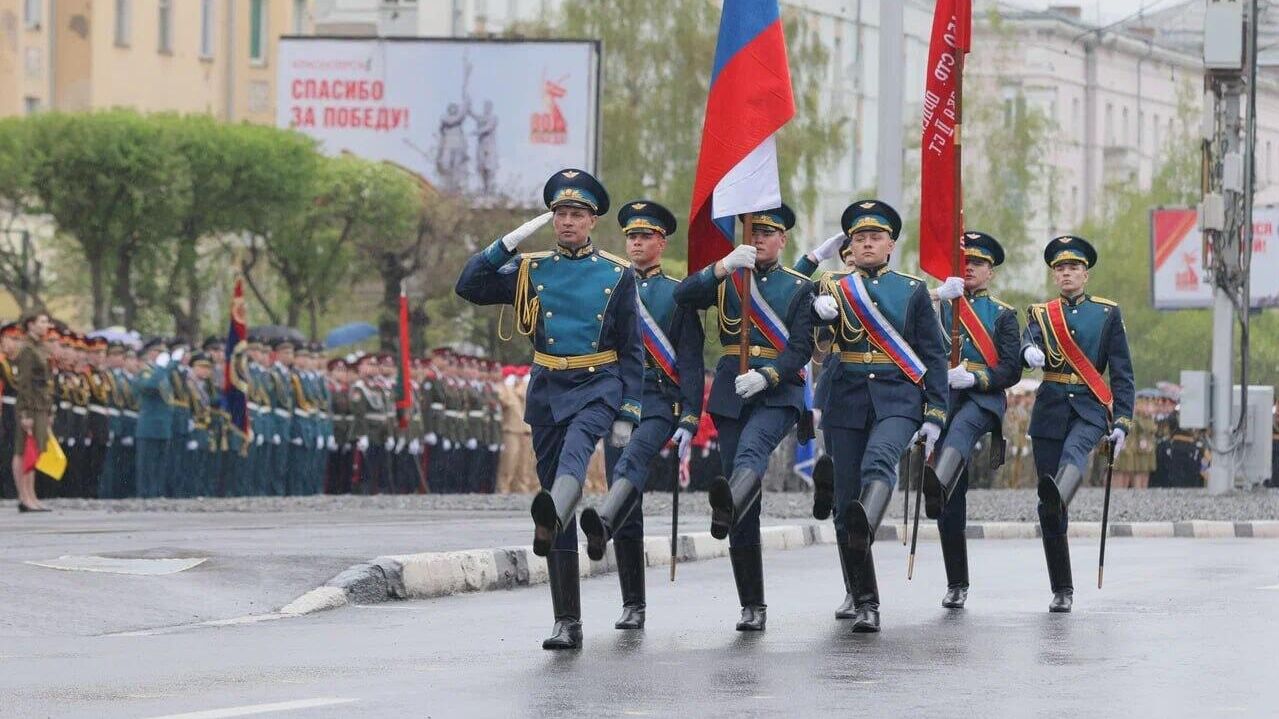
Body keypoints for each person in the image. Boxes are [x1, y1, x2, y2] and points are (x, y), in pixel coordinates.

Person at [455, 168, 643, 650]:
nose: (566, 221)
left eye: (576, 214)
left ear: (592, 221)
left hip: (598, 382)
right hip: (547, 386)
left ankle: (555, 509)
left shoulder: (617, 273)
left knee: (575, 460)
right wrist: (506, 243)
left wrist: (629, 410)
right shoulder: (531, 267)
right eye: (559, 213)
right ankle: (567, 620)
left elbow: (632, 347)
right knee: (553, 500)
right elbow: (470, 286)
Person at [673, 203, 816, 632]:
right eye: (753, 232)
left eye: (768, 233)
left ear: (782, 240)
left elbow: (801, 349)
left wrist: (769, 374)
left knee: (749, 459)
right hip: (732, 391)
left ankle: (729, 500)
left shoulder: (798, 287)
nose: (758, 240)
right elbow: (683, 297)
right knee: (743, 502)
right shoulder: (729, 277)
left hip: (776, 392)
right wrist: (720, 267)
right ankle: (751, 604)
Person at [807, 200, 949, 631]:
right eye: (859, 238)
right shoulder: (830, 286)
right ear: (850, 245)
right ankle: (860, 592)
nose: (867, 243)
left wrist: (936, 411)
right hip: (845, 397)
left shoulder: (912, 290)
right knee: (845, 499)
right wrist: (818, 312)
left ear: (890, 245)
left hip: (897, 398)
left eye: (875, 237)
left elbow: (933, 354)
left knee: (878, 462)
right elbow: (807, 334)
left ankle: (866, 575)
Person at [580, 200, 705, 630]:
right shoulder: (611, 288)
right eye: (632, 236)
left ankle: (603, 520)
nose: (637, 243)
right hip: (619, 400)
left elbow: (689, 360)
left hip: (658, 402)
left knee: (630, 468)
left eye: (645, 236)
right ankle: (633, 604)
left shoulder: (677, 294)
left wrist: (691, 415)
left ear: (660, 242)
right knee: (627, 498)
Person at [1021, 236, 1134, 613]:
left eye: (1074, 268)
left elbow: (1122, 372)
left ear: (1085, 275)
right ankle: (1062, 588)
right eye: (1060, 269)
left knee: (1074, 456)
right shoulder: (1040, 313)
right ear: (1055, 276)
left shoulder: (1106, 313)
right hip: (1050, 409)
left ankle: (1061, 493)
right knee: (1048, 505)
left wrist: (1122, 421)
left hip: (1088, 408)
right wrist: (1027, 351)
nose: (1067, 274)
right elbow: (1028, 342)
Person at [922, 231, 1023, 610]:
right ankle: (956, 582)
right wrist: (935, 298)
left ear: (990, 272)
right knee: (952, 503)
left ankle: (939, 478)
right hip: (946, 396)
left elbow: (1010, 369)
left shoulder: (1003, 314)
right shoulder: (944, 303)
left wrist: (976, 377)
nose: (970, 270)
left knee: (960, 434)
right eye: (965, 263)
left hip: (982, 398)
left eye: (977, 264)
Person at [12, 312, 55, 511]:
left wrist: (49, 409)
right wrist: (25, 413)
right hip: (29, 405)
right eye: (43, 321)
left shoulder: (40, 347)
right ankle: (24, 496)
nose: (47, 325)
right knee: (23, 451)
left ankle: (31, 494)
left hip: (41, 404)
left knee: (35, 450)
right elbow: (24, 384)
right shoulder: (27, 349)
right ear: (31, 325)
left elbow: (47, 381)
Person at [135, 338, 179, 499]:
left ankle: (157, 493)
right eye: (158, 352)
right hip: (149, 426)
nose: (162, 355)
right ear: (150, 354)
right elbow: (148, 387)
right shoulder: (147, 371)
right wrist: (160, 368)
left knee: (160, 465)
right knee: (147, 466)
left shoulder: (162, 373)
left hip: (163, 426)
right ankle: (145, 495)